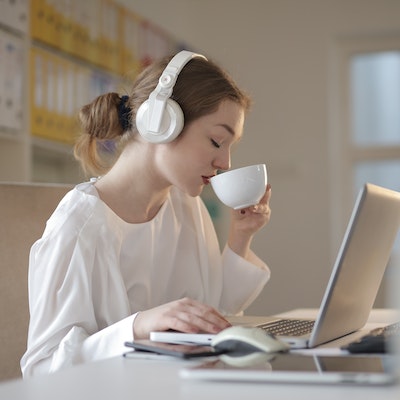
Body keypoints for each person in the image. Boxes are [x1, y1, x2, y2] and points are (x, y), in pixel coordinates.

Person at [21, 50, 272, 377]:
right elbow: (41, 371)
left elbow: (210, 315)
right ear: (161, 123)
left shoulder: (186, 205)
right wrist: (137, 327)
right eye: (216, 140)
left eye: (229, 147)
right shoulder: (80, 226)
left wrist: (241, 237)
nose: (225, 162)